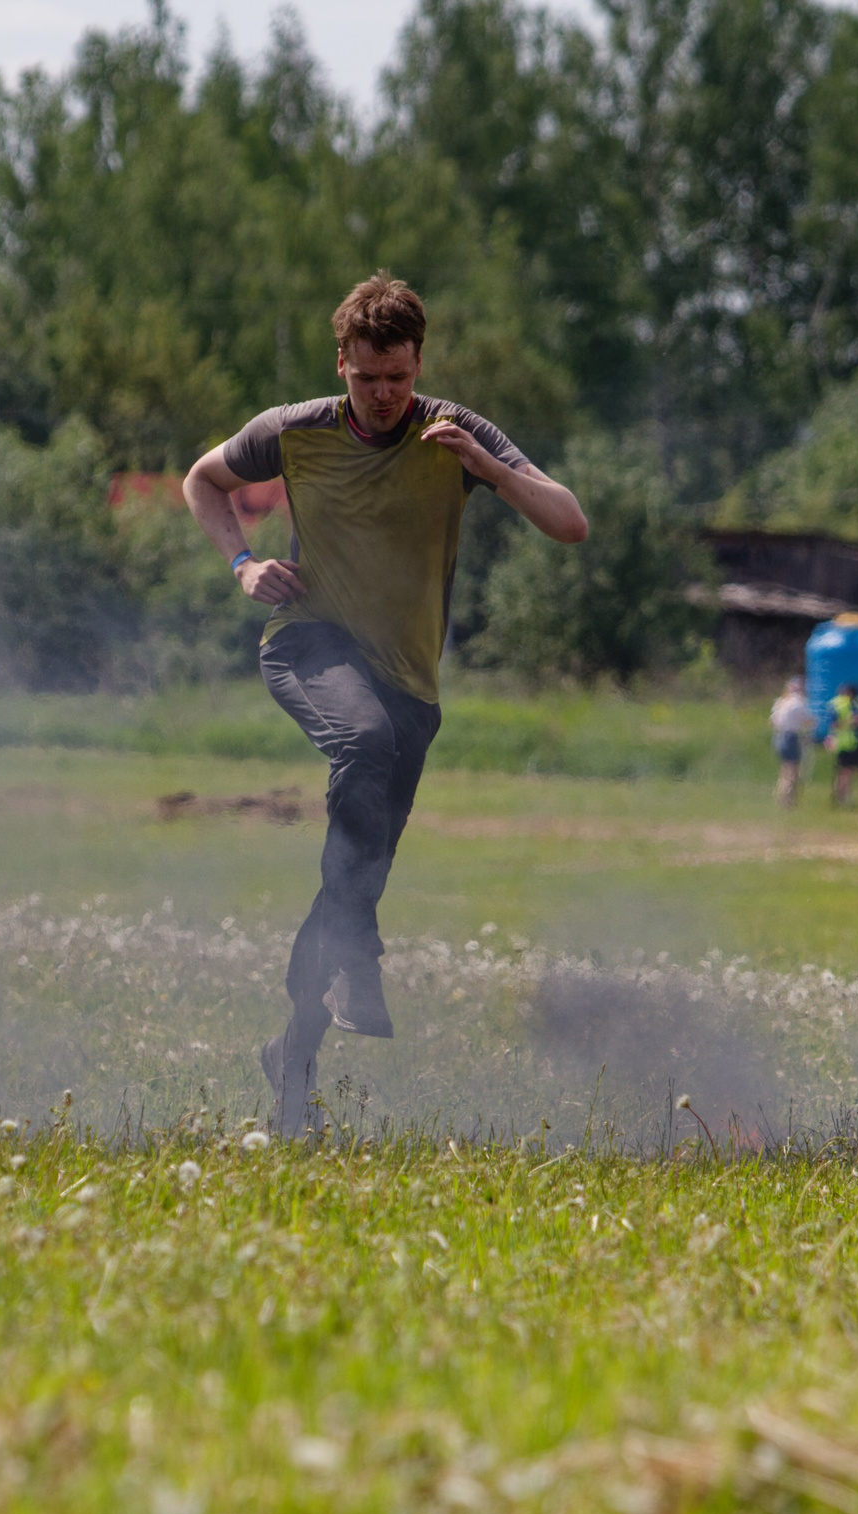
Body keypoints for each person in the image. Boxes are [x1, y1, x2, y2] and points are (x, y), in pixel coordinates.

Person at [182, 274, 588, 1132]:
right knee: (359, 747)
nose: (383, 396)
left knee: (354, 874)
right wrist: (242, 564)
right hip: (308, 642)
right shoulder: (295, 431)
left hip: (410, 683)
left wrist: (484, 468)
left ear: (417, 365)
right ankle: (357, 967)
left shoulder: (457, 432)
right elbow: (201, 481)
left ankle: (291, 1062)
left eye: (398, 377)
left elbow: (569, 521)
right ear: (343, 364)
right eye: (367, 378)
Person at [826, 681, 858, 808]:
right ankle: (842, 801)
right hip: (844, 744)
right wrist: (849, 722)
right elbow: (833, 725)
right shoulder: (837, 705)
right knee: (845, 773)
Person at [769, 676, 814, 807]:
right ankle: (787, 800)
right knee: (792, 771)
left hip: (779, 736)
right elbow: (809, 720)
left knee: (785, 769)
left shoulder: (781, 702)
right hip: (791, 737)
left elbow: (772, 721)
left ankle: (781, 796)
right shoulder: (799, 702)